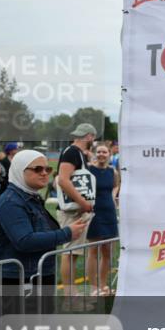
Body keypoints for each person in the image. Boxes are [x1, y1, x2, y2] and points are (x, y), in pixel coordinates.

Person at [0, 149, 88, 289]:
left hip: (35, 276)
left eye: (47, 169)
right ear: (20, 170)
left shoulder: (31, 198)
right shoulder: (10, 202)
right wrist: (67, 233)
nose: (44, 173)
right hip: (15, 281)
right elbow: (25, 241)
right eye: (38, 169)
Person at [56, 123, 98, 299]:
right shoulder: (72, 152)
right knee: (69, 252)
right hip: (72, 211)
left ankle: (71, 291)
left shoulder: (76, 152)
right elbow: (63, 180)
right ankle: (69, 292)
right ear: (89, 136)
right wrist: (83, 203)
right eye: (93, 137)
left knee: (73, 253)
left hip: (76, 210)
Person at [87, 144, 120, 296]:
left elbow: (116, 185)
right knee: (93, 251)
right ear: (95, 153)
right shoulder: (89, 170)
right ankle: (94, 287)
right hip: (94, 213)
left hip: (109, 213)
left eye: (104, 152)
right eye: (99, 151)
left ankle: (104, 285)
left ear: (109, 154)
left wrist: (113, 196)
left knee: (107, 252)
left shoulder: (112, 171)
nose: (101, 154)